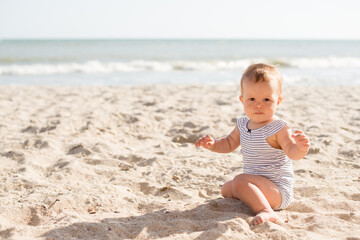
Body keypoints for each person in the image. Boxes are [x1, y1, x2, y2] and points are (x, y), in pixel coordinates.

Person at [195, 63, 310, 226]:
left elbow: (292, 153)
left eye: (267, 99)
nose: (258, 104)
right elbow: (228, 144)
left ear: (278, 101)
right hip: (255, 183)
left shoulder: (279, 127)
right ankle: (251, 195)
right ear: (242, 100)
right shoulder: (242, 124)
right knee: (226, 189)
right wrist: (213, 145)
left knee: (240, 181)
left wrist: (300, 148)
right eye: (252, 99)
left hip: (277, 191)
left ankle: (266, 210)